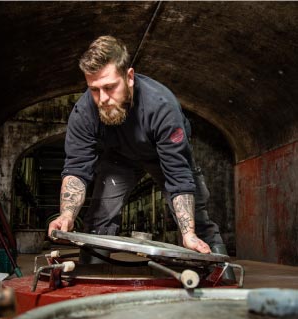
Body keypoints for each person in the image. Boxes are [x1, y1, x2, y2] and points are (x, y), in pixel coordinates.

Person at [48, 35, 232, 265]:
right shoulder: (84, 112)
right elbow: (77, 167)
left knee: (197, 218)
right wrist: (67, 215)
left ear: (130, 77)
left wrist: (188, 234)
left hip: (162, 155)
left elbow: (178, 175)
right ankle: (90, 276)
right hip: (119, 158)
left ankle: (221, 273)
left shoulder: (162, 107)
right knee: (99, 217)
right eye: (94, 90)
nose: (102, 98)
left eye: (110, 87)